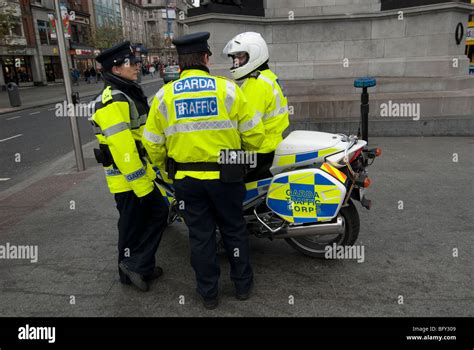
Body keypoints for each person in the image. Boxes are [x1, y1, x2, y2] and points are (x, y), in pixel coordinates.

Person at [142, 32, 265, 309]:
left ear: (179, 63)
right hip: (228, 174)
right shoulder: (229, 89)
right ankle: (242, 286)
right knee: (234, 230)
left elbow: (152, 144)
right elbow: (255, 136)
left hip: (186, 179)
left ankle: (209, 294)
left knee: (200, 236)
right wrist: (241, 155)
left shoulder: (164, 96)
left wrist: (166, 167)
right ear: (206, 58)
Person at [90, 41, 168, 292]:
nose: (137, 66)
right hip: (129, 179)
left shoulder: (126, 93)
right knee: (149, 216)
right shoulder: (114, 100)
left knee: (135, 223)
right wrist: (142, 185)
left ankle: (137, 267)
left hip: (136, 175)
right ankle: (135, 265)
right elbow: (123, 150)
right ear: (116, 69)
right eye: (131, 63)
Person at [223, 32, 289, 181]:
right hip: (271, 145)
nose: (236, 62)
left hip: (257, 151)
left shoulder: (256, 84)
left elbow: (246, 126)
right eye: (234, 58)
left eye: (240, 57)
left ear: (255, 54)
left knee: (218, 161)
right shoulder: (268, 77)